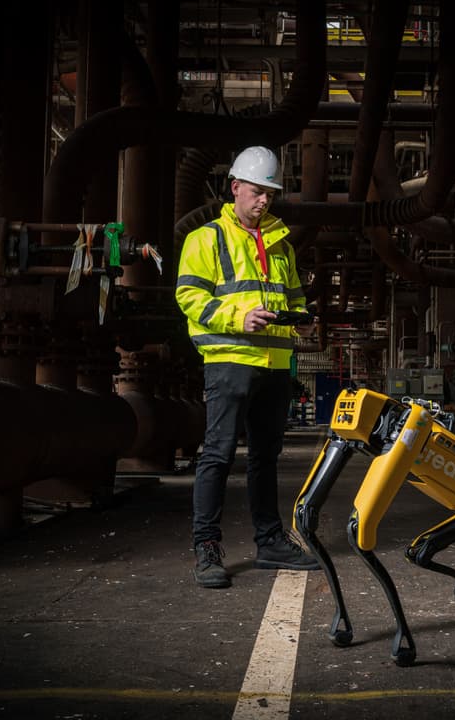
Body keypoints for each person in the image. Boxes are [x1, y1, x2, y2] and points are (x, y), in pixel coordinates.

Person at [175, 145, 319, 588]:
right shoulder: (206, 239)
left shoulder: (280, 245)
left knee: (265, 458)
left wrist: (302, 319)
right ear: (235, 187)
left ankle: (269, 541)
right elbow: (190, 298)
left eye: (270, 195)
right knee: (217, 455)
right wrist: (239, 317)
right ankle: (207, 547)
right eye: (257, 192)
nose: (264, 201)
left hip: (275, 364)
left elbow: (292, 297)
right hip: (230, 362)